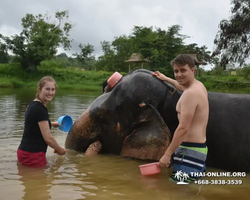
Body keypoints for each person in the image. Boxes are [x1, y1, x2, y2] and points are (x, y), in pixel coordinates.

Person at [153, 54, 209, 183]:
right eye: (176, 71)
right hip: (199, 149)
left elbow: (183, 128)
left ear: (192, 70)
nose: (178, 75)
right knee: (191, 189)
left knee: (178, 189)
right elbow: (181, 86)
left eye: (183, 70)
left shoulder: (190, 94)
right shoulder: (198, 86)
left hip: (188, 151)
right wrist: (165, 78)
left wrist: (167, 155)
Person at [17, 76, 66, 168]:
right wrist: (60, 150)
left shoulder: (33, 104)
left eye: (53, 89)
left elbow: (33, 124)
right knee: (40, 181)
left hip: (24, 152)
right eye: (47, 89)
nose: (51, 93)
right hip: (33, 155)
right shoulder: (40, 109)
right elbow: (48, 139)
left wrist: (51, 123)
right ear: (39, 89)